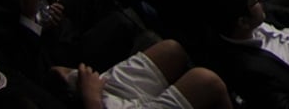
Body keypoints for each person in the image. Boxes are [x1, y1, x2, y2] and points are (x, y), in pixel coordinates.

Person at [52, 39, 232, 109]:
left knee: (171, 51)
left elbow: (55, 72)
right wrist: (92, 99)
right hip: (93, 102)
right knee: (205, 81)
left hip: (83, 99)